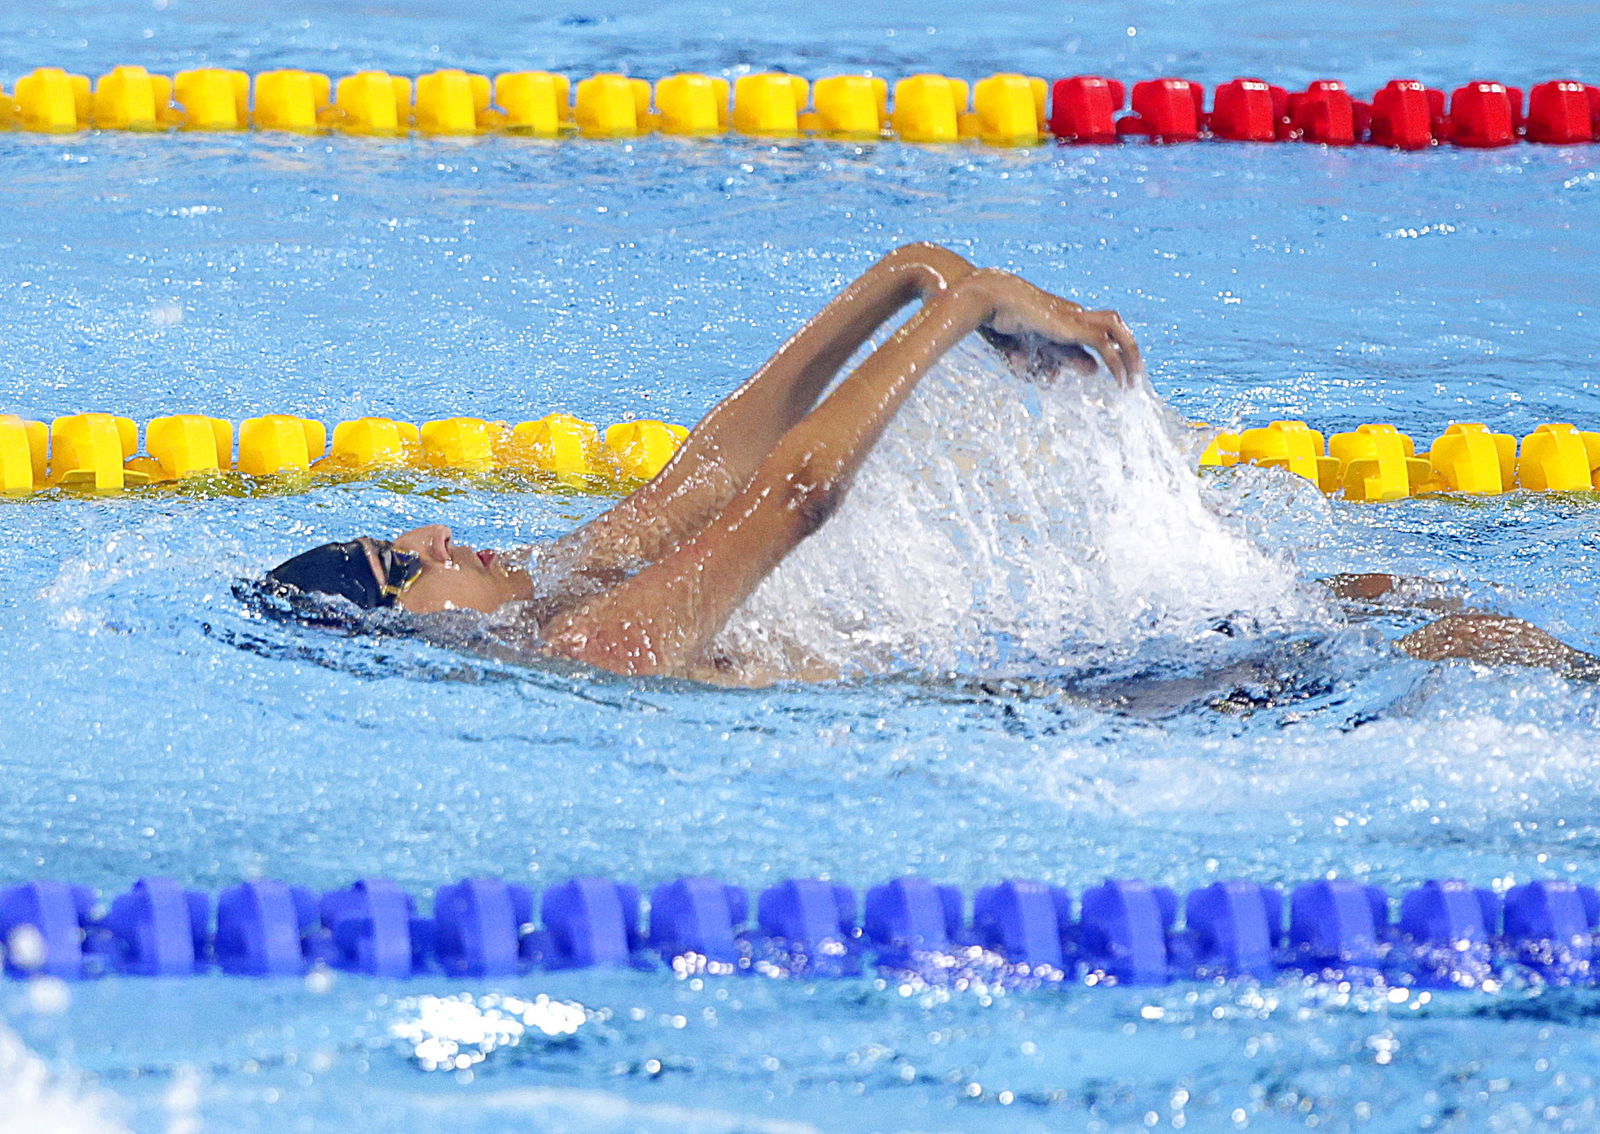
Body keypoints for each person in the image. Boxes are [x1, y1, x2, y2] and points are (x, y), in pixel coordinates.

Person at [261, 242, 1596, 683]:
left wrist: (908, 272)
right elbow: (791, 500)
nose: (437, 535)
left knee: (1371, 591)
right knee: (1462, 637)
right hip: (1083, 716)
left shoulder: (562, 580)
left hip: (1056, 661)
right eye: (404, 565)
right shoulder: (585, 649)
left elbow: (709, 471)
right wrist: (963, 315)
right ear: (404, 634)